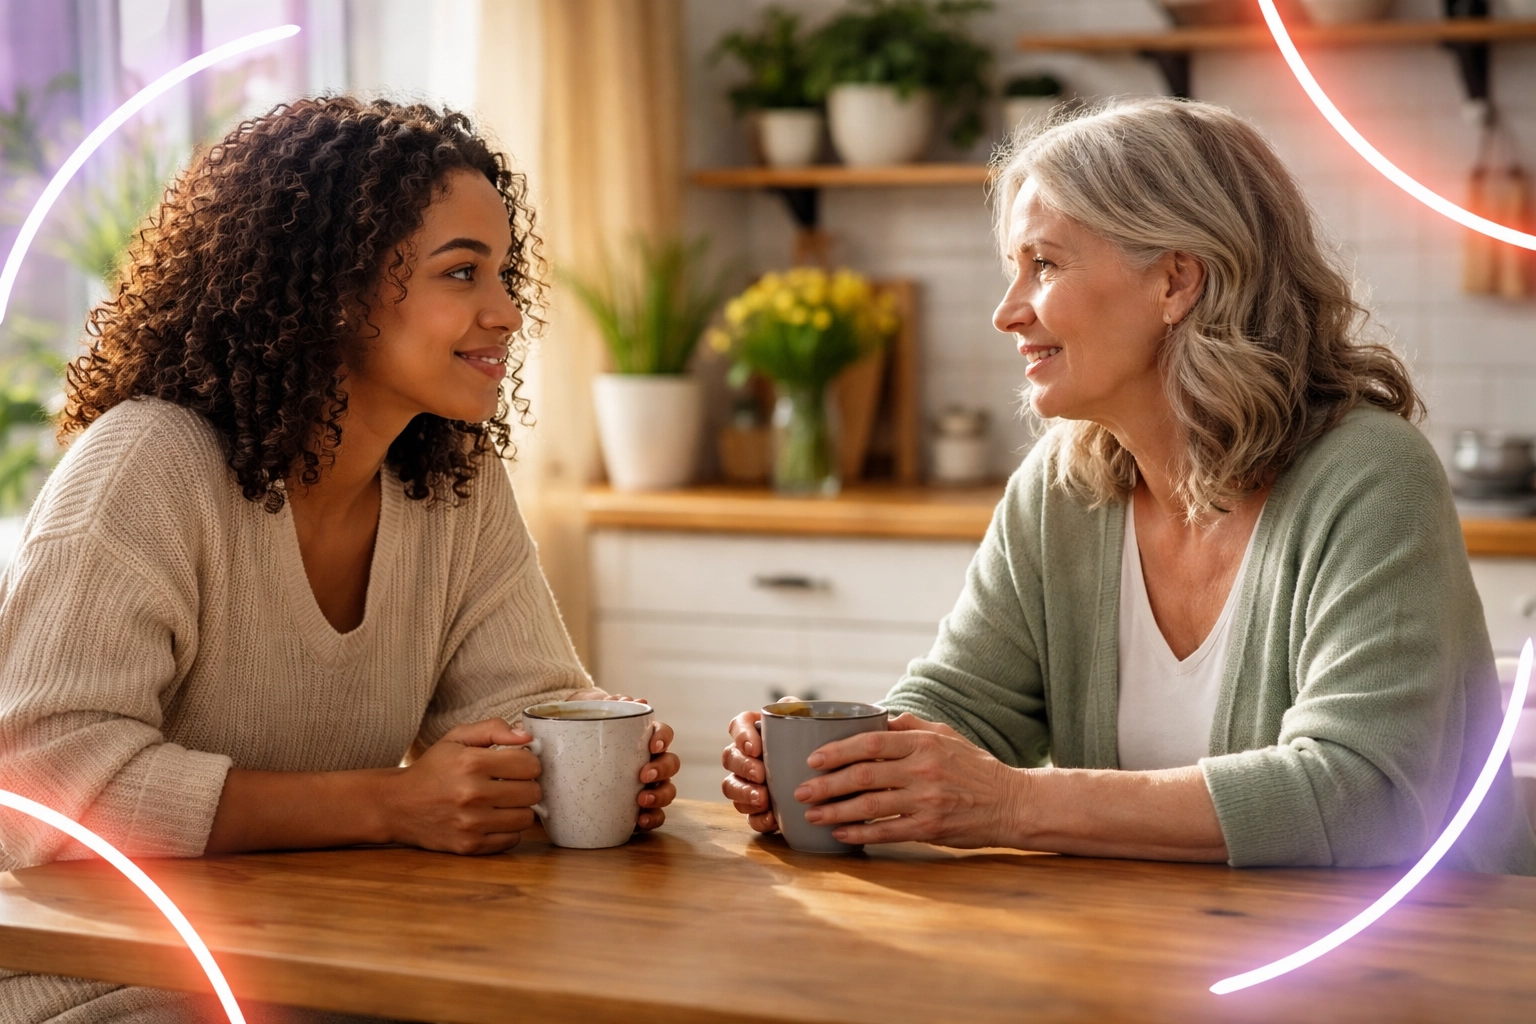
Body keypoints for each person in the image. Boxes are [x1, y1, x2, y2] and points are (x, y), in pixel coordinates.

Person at [722, 97, 1536, 875]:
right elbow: (962, 706)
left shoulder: (1368, 477)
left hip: (1415, 970)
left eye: (1044, 264)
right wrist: (842, 770)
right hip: (1147, 958)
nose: (1008, 312)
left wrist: (1013, 805)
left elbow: (1362, 795)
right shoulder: (1063, 487)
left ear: (1176, 281)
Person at [0, 97, 678, 1023]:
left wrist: (590, 766)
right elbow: (44, 790)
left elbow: (518, 711)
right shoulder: (147, 467)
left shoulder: (452, 481)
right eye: (463, 273)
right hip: (109, 980)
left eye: (505, 272)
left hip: (321, 961)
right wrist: (388, 806)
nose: (506, 313)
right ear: (334, 286)